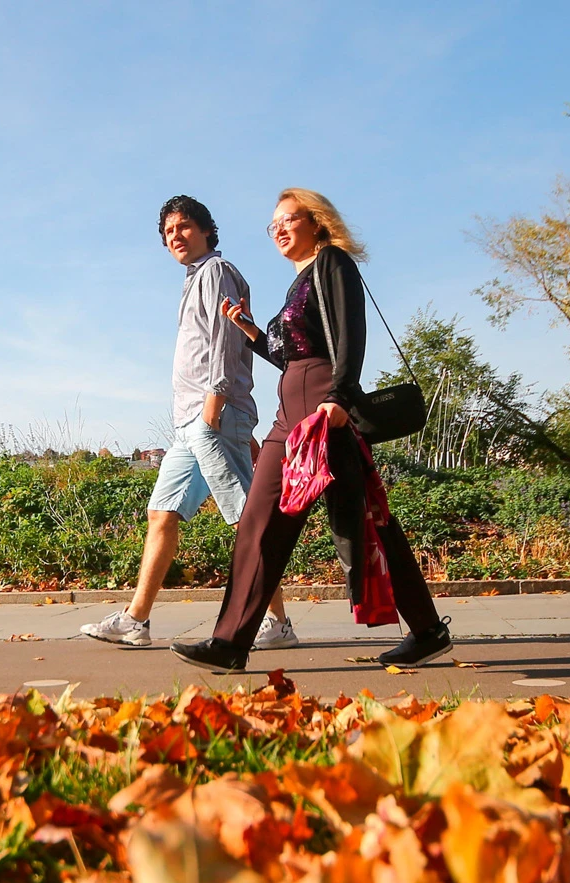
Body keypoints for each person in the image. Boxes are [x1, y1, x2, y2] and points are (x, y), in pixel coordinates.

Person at [172, 189, 452, 673]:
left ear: (316, 221)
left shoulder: (333, 264)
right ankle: (230, 641)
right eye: (272, 224)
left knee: (366, 522)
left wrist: (339, 399)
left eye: (288, 219)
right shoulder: (298, 281)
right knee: (260, 521)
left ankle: (426, 632)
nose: (278, 229)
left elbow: (350, 336)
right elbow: (288, 355)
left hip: (324, 408)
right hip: (290, 411)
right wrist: (250, 330)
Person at [80, 196, 295, 649]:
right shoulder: (195, 279)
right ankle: (136, 620)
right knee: (162, 513)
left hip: (210, 414)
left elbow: (224, 336)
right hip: (190, 424)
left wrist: (215, 401)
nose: (174, 236)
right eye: (168, 232)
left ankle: (278, 624)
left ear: (205, 230)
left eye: (183, 227)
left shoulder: (217, 272)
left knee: (245, 519)